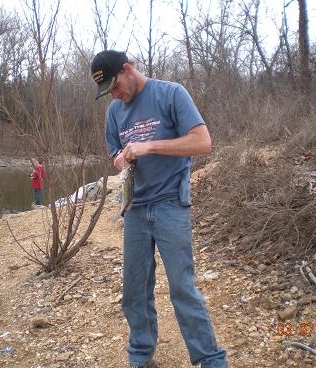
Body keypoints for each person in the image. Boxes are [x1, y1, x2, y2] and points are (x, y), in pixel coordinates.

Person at [91, 50, 228, 368]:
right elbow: (114, 153)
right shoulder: (114, 112)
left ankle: (209, 359)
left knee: (182, 287)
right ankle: (141, 355)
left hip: (170, 205)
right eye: (108, 91)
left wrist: (150, 146)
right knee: (134, 290)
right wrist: (122, 158)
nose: (114, 94)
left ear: (128, 69)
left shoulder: (171, 93)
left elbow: (202, 142)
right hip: (135, 209)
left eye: (114, 86)